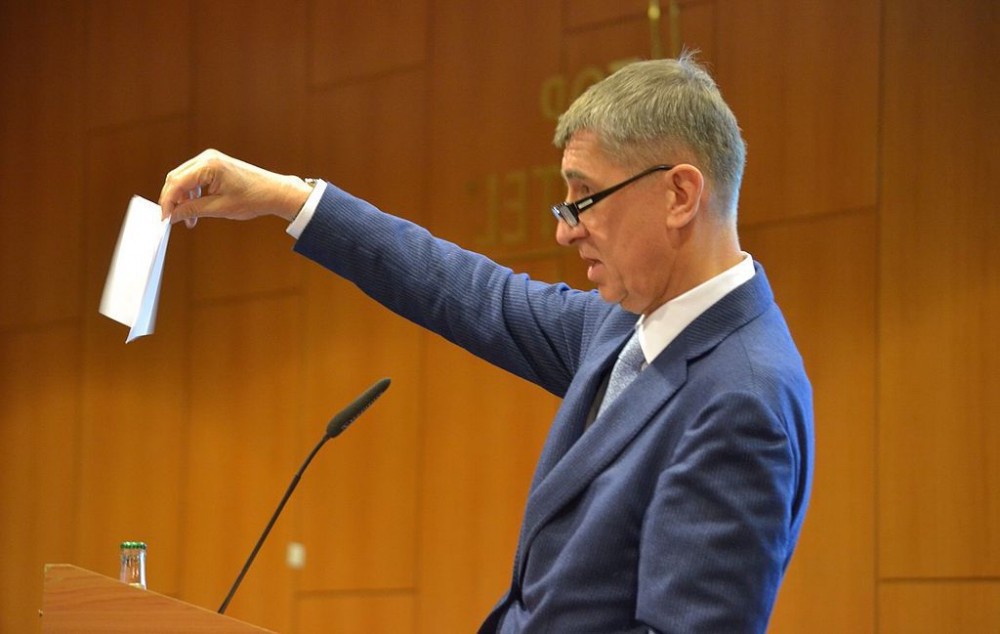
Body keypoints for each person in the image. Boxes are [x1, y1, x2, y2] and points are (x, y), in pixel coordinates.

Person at [160, 53, 813, 633]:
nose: (566, 230)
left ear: (679, 195)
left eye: (585, 197)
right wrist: (286, 198)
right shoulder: (627, 323)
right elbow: (466, 291)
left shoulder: (743, 401)